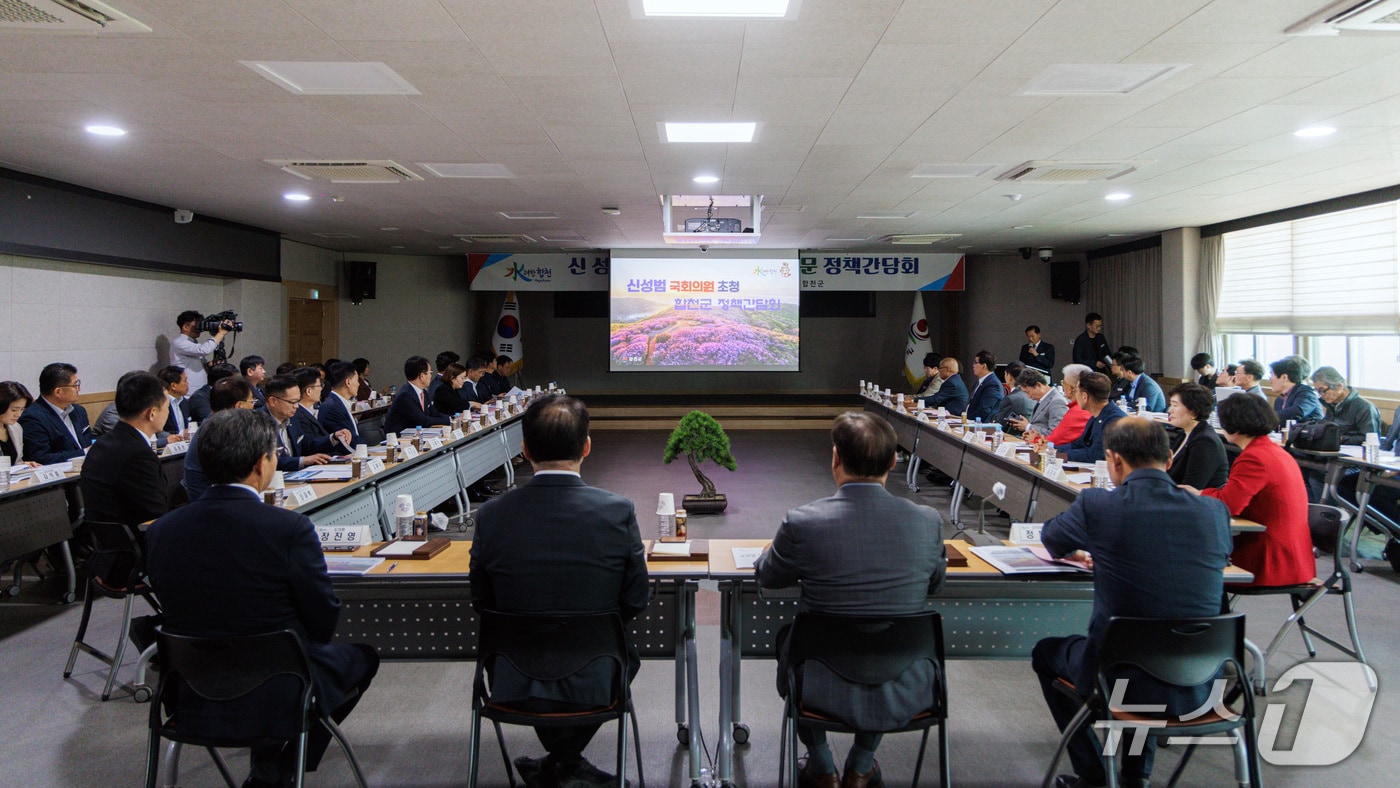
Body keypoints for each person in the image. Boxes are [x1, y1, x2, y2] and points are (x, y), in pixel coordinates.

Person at [146, 409, 379, 788]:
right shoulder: (287, 528)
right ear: (262, 464)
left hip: (189, 691)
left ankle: (269, 768)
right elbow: (323, 620)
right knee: (363, 657)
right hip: (280, 687)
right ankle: (282, 769)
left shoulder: (161, 531)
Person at [1034, 417, 1232, 788]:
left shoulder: (1098, 505)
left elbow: (1052, 540)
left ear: (1114, 461)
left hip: (1115, 675)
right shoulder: (1214, 512)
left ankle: (1094, 776)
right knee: (1153, 640)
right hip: (1202, 680)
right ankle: (1134, 776)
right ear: (1170, 459)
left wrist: (1089, 549)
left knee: (1047, 652)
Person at [755, 412, 945, 788]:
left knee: (789, 641)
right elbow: (935, 583)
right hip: (906, 682)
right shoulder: (928, 521)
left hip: (819, 684)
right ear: (893, 462)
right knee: (878, 640)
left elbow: (768, 576)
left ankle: (822, 767)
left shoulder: (803, 522)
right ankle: (861, 766)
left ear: (835, 458)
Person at [469, 395, 648, 787]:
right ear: (586, 446)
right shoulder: (617, 511)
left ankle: (559, 765)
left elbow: (481, 599)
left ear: (524, 449)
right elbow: (636, 598)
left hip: (512, 680)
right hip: (598, 677)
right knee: (624, 657)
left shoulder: (490, 515)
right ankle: (566, 764)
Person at [1188, 393, 1314, 587]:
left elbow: (1228, 505)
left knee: (1190, 562)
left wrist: (1199, 493)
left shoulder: (1254, 457)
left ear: (1233, 426)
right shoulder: (1273, 451)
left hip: (1269, 558)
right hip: (1291, 555)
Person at [78, 371, 170, 527]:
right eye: (167, 407)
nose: (168, 412)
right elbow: (156, 511)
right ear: (152, 413)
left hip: (110, 543)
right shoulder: (137, 454)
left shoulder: (102, 443)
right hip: (140, 541)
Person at [183, 376, 256, 503]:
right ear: (239, 406)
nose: (253, 407)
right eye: (251, 402)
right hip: (212, 506)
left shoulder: (217, 425)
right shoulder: (217, 433)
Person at [20, 362, 92, 464]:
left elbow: (88, 441)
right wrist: (84, 452)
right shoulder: (32, 418)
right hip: (63, 477)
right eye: (75, 385)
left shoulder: (79, 411)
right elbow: (41, 457)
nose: (78, 389)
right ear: (58, 392)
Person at [1165, 383, 1228, 489]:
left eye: (1175, 406)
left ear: (1193, 413)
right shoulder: (1184, 433)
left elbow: (1192, 487)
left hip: (1196, 502)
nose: (1169, 410)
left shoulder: (1205, 442)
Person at [263, 375, 332, 471]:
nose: (296, 406)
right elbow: (267, 461)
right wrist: (303, 461)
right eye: (292, 402)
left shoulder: (293, 417)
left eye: (298, 401)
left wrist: (333, 438)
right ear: (273, 401)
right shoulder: (257, 423)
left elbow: (306, 445)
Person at [1060, 372, 1126, 464]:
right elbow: (1078, 445)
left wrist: (1059, 455)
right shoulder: (1096, 416)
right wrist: (1050, 449)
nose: (1075, 396)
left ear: (1084, 396)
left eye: (1076, 391)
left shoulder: (1114, 420)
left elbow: (1096, 455)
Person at [1026, 364, 1093, 448]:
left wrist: (1036, 439)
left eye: (1063, 382)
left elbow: (1055, 440)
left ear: (1069, 388)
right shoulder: (1082, 408)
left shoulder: (1077, 412)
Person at [383, 356, 452, 435]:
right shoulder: (405, 396)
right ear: (422, 376)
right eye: (430, 373)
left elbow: (434, 413)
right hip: (401, 438)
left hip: (418, 433)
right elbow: (423, 420)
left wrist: (451, 418)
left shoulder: (424, 392)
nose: (430, 376)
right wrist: (449, 420)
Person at [1312, 366, 1380, 445]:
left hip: (1354, 453)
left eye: (1323, 390)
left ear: (1339, 386)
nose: (1321, 395)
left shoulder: (1365, 407)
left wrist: (1339, 439)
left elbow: (1369, 439)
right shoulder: (1332, 405)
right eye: (1317, 391)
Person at [291, 367, 352, 455]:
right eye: (320, 385)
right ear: (309, 391)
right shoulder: (298, 415)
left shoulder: (308, 412)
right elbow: (309, 445)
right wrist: (333, 437)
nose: (321, 389)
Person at [170, 310, 232, 391]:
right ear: (186, 327)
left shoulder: (193, 343)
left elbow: (200, 363)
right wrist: (221, 333)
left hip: (198, 389)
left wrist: (209, 365)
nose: (200, 328)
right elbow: (204, 350)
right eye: (197, 325)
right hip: (189, 392)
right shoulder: (179, 342)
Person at [1008, 368, 1068, 437]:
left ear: (1038, 385)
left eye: (1028, 392)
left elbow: (1055, 433)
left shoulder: (1057, 402)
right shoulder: (1041, 400)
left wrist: (1028, 427)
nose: (1028, 396)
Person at [318, 361, 362, 448]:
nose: (358, 384)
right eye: (357, 380)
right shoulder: (333, 407)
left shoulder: (337, 402)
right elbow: (349, 442)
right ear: (348, 382)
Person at [1269, 355, 1322, 423]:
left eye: (1272, 375)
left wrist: (1268, 417)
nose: (1270, 380)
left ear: (1284, 377)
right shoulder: (1279, 400)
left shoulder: (1306, 392)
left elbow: (1298, 411)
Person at [0, 381, 34, 465]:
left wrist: (23, 465)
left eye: (22, 409)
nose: (18, 414)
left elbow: (16, 461)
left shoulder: (16, 428)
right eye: (14, 410)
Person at [965, 350, 1004, 423]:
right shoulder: (980, 381)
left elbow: (984, 410)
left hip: (982, 425)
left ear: (984, 366)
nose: (973, 365)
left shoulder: (993, 384)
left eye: (976, 363)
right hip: (970, 421)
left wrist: (968, 419)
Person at [995, 361, 1034, 425]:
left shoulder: (1010, 399)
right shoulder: (1032, 395)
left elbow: (1000, 424)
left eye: (1005, 374)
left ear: (1009, 376)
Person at [158, 365, 192, 438]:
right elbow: (158, 432)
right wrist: (181, 434)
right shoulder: (160, 404)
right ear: (173, 385)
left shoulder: (184, 402)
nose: (188, 384)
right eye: (185, 381)